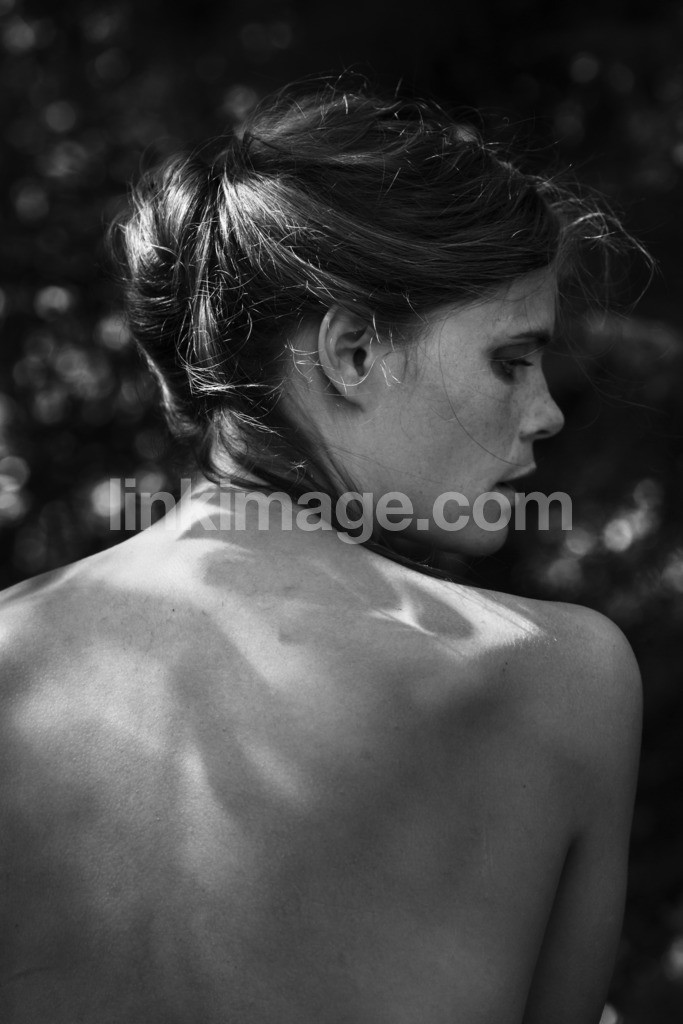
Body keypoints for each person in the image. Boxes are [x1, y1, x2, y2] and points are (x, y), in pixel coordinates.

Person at [0, 81, 643, 1024]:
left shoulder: (11, 657)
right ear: (351, 354)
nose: (544, 412)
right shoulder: (553, 679)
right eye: (510, 360)